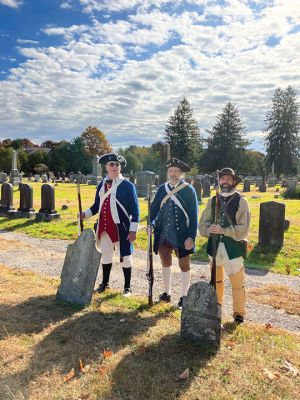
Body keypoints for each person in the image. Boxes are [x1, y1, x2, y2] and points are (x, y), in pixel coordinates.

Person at [79, 153, 139, 297]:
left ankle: (127, 287)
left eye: (117, 165)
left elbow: (135, 211)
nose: (114, 167)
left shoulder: (128, 186)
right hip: (104, 226)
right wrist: (85, 214)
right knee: (106, 255)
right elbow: (96, 206)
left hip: (121, 228)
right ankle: (105, 284)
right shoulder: (102, 184)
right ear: (106, 167)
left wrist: (133, 230)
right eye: (111, 164)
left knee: (126, 256)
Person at [199, 168, 251, 323]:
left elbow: (243, 229)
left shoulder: (241, 201)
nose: (225, 181)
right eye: (223, 179)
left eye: (229, 179)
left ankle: (239, 314)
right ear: (219, 181)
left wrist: (224, 230)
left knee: (237, 283)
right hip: (214, 247)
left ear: (234, 181)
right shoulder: (213, 200)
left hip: (233, 248)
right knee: (216, 281)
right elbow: (203, 223)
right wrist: (208, 229)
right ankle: (217, 309)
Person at [150, 157, 198, 309]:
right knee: (165, 263)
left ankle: (184, 297)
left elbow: (193, 215)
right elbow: (153, 210)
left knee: (184, 265)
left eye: (176, 171)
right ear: (167, 172)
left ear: (181, 173)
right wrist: (151, 224)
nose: (173, 174)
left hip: (182, 235)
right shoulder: (162, 189)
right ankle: (166, 292)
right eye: (171, 171)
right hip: (163, 234)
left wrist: (191, 236)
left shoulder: (188, 190)